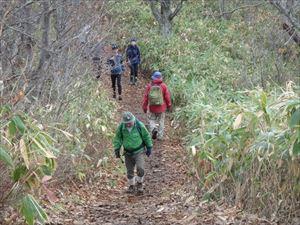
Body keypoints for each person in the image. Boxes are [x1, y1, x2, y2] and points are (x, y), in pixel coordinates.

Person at [113, 111, 153, 193]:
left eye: (130, 122)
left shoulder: (139, 125)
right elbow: (118, 138)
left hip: (139, 151)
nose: (128, 124)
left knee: (140, 168)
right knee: (129, 171)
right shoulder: (121, 128)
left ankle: (139, 183)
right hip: (127, 153)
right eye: (126, 123)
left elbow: (146, 136)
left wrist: (149, 147)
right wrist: (117, 149)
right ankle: (131, 185)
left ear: (133, 120)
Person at [142, 71, 171, 140]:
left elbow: (146, 98)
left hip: (152, 107)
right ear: (161, 78)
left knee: (151, 119)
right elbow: (167, 97)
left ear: (153, 78)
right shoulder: (163, 86)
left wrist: (144, 107)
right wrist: (169, 105)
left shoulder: (149, 86)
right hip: (162, 107)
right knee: (161, 121)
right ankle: (160, 136)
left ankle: (153, 129)